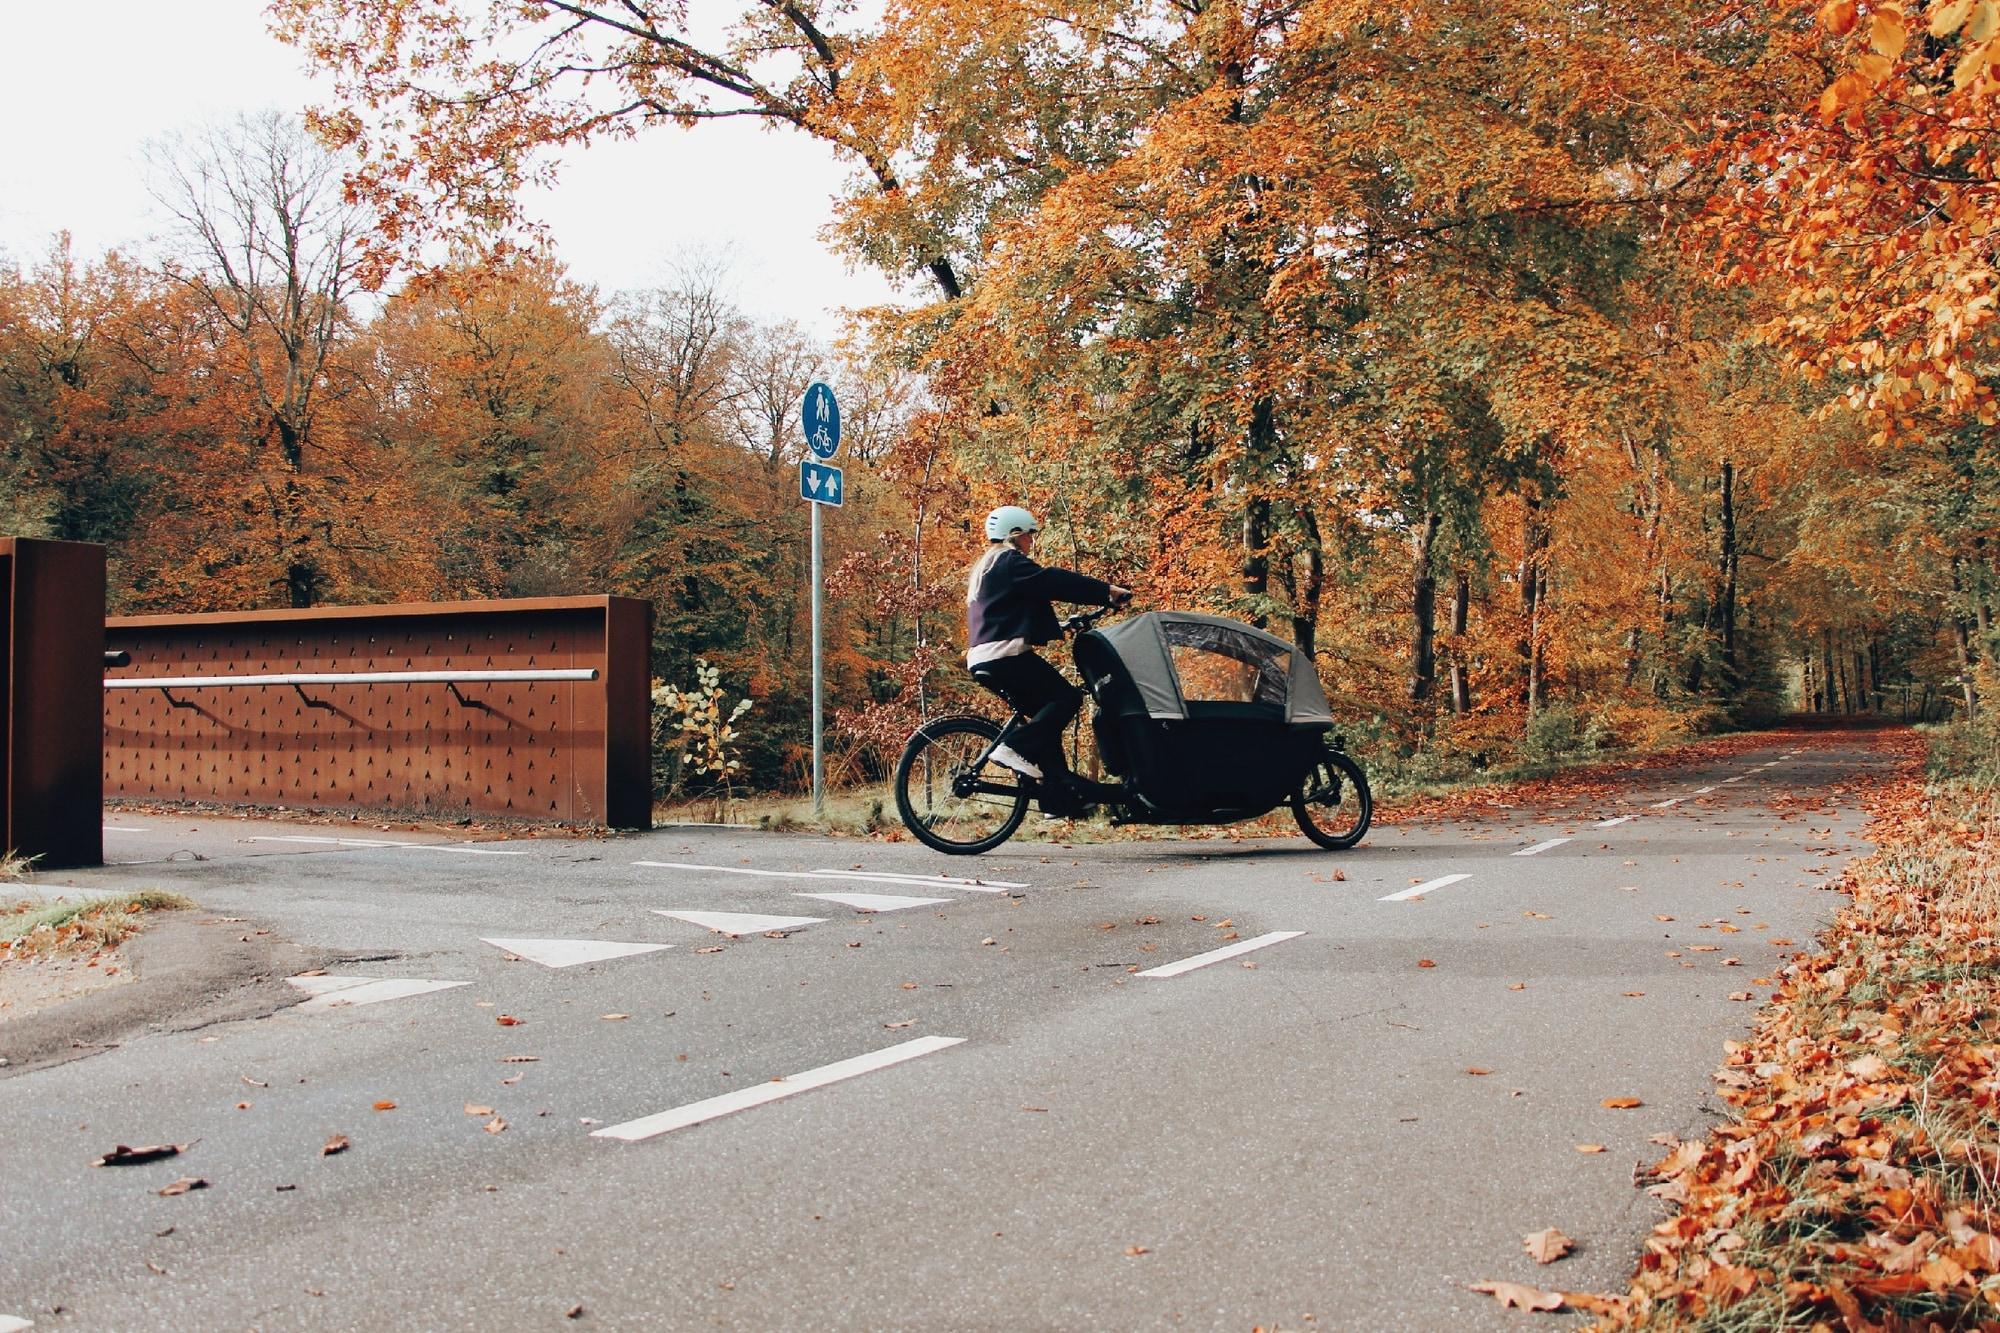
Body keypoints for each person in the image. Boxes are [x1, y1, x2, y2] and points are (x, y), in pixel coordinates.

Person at [965, 505, 1131, 810]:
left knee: (1046, 718)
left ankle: (1058, 799)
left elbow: (1011, 609)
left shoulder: (988, 567)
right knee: (1066, 698)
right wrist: (1106, 591)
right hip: (1004, 655)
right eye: (1029, 535)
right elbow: (1051, 581)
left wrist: (1062, 625)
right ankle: (1013, 747)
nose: (1031, 541)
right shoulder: (1008, 560)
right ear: (1014, 534)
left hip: (984, 656)